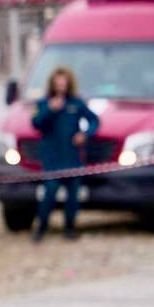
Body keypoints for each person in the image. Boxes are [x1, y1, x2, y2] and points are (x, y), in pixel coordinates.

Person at [31, 65, 98, 242]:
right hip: (52, 158)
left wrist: (85, 134)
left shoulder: (76, 103)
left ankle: (70, 228)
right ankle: (41, 228)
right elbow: (36, 124)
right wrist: (50, 110)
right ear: (52, 85)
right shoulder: (43, 103)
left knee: (73, 197)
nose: (61, 87)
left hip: (72, 157)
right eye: (58, 84)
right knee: (50, 194)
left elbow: (94, 120)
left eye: (64, 84)